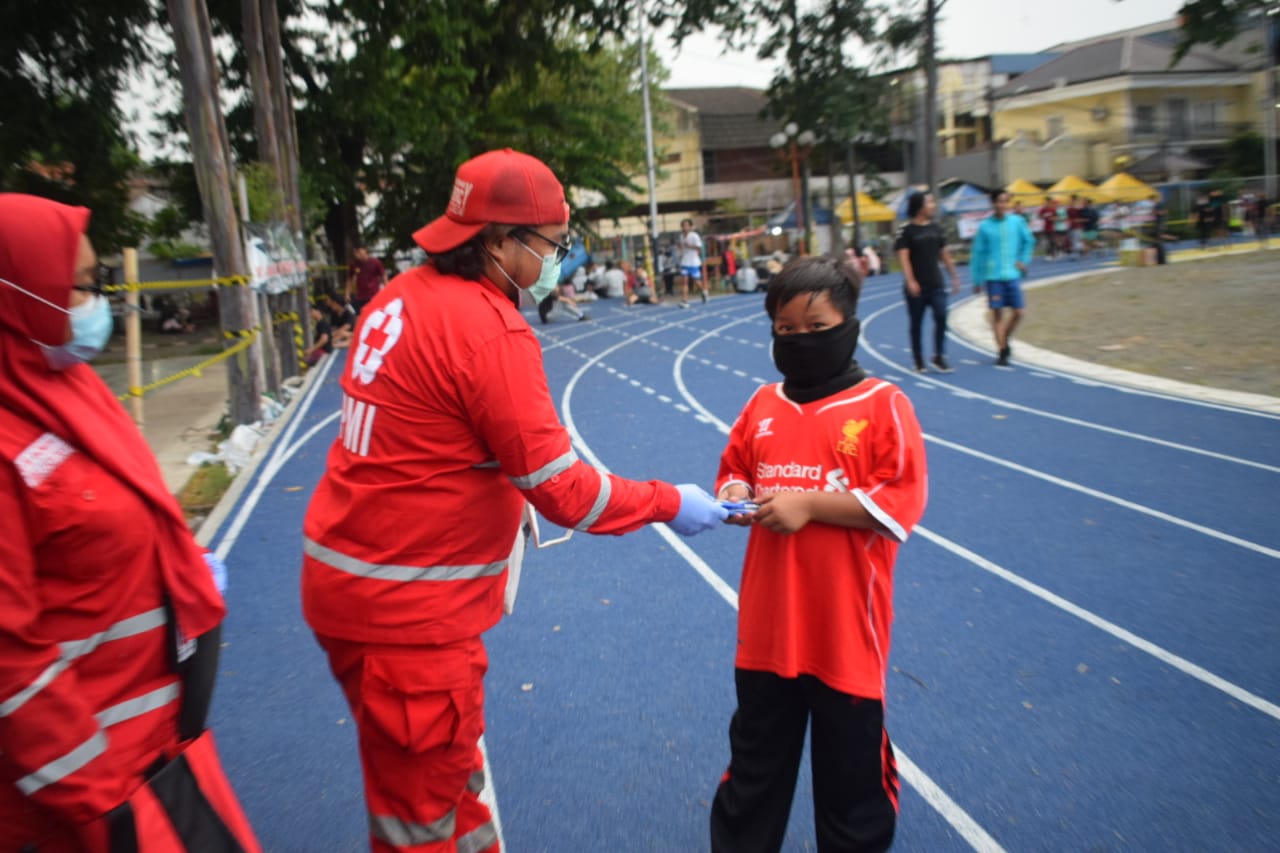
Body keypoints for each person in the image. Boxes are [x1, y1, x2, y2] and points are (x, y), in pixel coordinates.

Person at [300, 149, 729, 853]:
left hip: (349, 584)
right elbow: (562, 488)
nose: (558, 262)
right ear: (498, 240)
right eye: (553, 246)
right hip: (411, 620)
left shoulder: (400, 294)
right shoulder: (489, 329)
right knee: (422, 824)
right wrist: (666, 501)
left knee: (444, 784)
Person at [0, 193, 260, 850]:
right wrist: (104, 801)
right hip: (82, 798)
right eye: (82, 287)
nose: (100, 305)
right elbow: (10, 667)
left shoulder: (61, 385)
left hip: (156, 749)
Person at [709, 256, 927, 853]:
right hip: (766, 632)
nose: (800, 340)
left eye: (816, 326)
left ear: (849, 324)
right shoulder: (762, 404)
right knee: (752, 774)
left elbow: (900, 501)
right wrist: (732, 494)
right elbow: (735, 469)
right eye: (785, 330)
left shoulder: (885, 406)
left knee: (851, 787)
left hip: (845, 636)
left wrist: (809, 504)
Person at [895, 191, 960, 373]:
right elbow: (903, 258)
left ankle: (939, 356)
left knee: (941, 316)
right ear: (920, 207)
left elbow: (944, 253)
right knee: (916, 323)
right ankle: (918, 360)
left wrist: (954, 275)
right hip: (917, 285)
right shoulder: (906, 231)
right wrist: (910, 281)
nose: (933, 205)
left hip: (936, 284)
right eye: (930, 202)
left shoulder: (936, 229)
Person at [970, 189, 1035, 366]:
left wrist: (1023, 260)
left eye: (1005, 202)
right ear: (993, 203)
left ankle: (1004, 338)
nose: (1002, 205)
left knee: (1019, 312)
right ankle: (1002, 351)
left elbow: (1029, 241)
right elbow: (978, 254)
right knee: (997, 314)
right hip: (993, 276)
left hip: (1012, 274)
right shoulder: (985, 226)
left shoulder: (1017, 222)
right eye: (999, 201)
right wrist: (977, 279)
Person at [345, 243, 388, 314]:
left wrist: (387, 289)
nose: (357, 254)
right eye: (355, 252)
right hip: (360, 296)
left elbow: (383, 276)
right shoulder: (354, 264)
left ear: (365, 250)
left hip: (374, 295)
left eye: (359, 251)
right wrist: (347, 293)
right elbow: (349, 279)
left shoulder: (375, 262)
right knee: (361, 315)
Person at [678, 218, 708, 308]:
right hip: (684, 262)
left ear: (690, 227)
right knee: (684, 281)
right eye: (683, 226)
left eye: (687, 225)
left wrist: (690, 246)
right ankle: (685, 301)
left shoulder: (694, 236)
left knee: (696, 281)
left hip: (693, 262)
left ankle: (703, 291)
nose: (685, 227)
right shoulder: (681, 237)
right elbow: (681, 248)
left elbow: (699, 247)